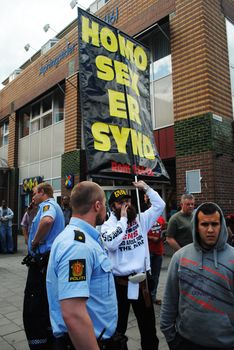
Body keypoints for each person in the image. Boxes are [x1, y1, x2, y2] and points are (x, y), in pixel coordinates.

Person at [46, 181, 124, 350]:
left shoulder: (82, 239)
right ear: (97, 206)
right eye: (104, 204)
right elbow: (73, 314)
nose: (106, 209)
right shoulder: (78, 246)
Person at [160, 202, 234, 350]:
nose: (210, 230)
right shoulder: (180, 257)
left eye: (215, 224)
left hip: (226, 344)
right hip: (186, 342)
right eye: (204, 224)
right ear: (196, 226)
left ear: (222, 225)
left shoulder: (232, 257)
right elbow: (170, 300)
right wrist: (171, 338)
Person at [101, 181, 165, 350]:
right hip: (119, 285)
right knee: (118, 330)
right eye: (121, 202)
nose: (126, 205)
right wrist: (122, 219)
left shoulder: (141, 220)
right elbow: (112, 243)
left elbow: (160, 205)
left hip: (141, 283)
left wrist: (146, 188)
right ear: (112, 206)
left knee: (148, 329)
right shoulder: (108, 226)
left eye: (128, 201)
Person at [22, 182, 65, 350]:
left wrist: (35, 242)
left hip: (43, 261)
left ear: (42, 192)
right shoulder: (46, 206)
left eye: (34, 193)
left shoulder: (48, 205)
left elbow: (47, 221)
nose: (33, 197)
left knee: (35, 304)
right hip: (46, 261)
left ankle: (41, 342)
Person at [148, 215, 166, 305]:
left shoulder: (161, 219)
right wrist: (151, 238)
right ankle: (145, 298)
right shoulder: (147, 217)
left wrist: (163, 237)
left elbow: (164, 231)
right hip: (148, 251)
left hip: (159, 251)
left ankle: (153, 297)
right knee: (147, 276)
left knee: (156, 276)